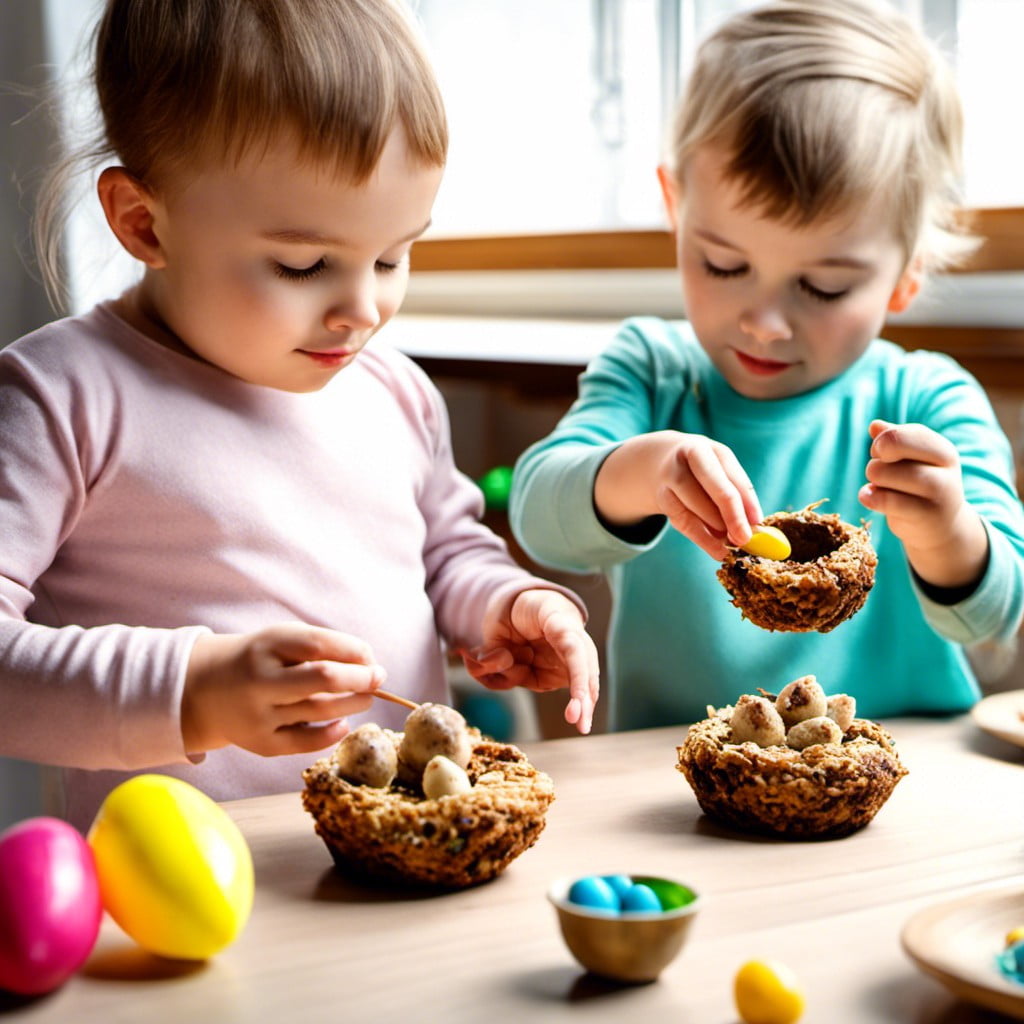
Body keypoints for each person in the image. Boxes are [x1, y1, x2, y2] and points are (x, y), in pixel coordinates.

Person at [0, 0, 599, 832]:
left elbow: (448, 551)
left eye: (392, 255)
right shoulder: (63, 396)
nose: (364, 309)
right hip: (180, 900)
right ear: (144, 222)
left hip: (402, 852)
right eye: (304, 263)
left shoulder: (392, 391)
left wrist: (502, 603)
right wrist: (191, 694)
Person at [510, 0, 1024, 731]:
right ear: (675, 207)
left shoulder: (928, 399)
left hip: (899, 780)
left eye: (823, 286)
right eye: (724, 264)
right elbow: (539, 518)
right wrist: (642, 470)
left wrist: (949, 536)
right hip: (678, 782)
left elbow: (996, 618)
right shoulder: (651, 370)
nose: (763, 321)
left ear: (906, 274)